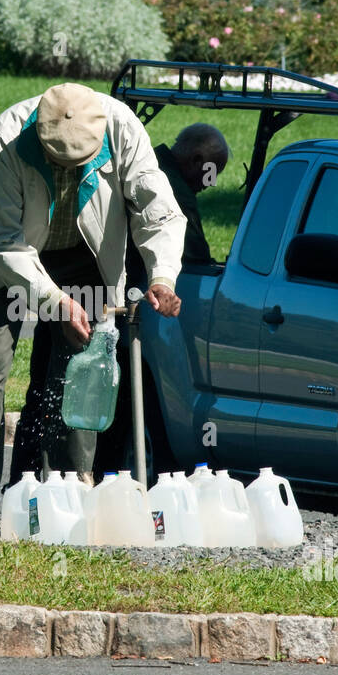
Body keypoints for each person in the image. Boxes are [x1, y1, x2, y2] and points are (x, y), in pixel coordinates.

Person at [0, 83, 188, 536]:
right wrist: (55, 301)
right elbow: (1, 240)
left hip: (83, 255)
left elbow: (158, 213)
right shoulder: (6, 138)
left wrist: (162, 276)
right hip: (5, 255)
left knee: (82, 369)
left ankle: (72, 492)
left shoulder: (123, 129)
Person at [92, 123, 229, 475]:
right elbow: (192, 251)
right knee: (128, 404)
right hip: (133, 303)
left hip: (110, 294)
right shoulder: (174, 187)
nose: (209, 183)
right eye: (211, 173)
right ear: (199, 159)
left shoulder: (152, 164)